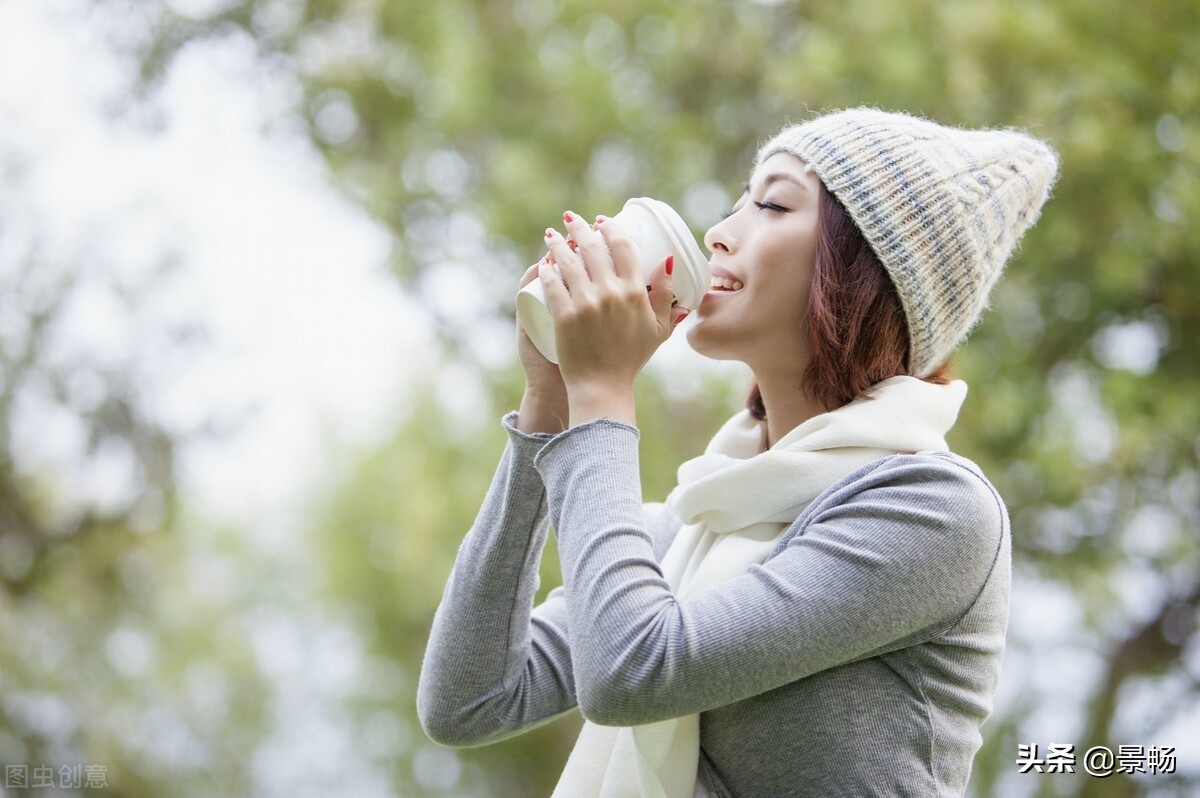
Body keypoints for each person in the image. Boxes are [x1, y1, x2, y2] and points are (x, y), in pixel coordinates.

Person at [417, 107, 1059, 797]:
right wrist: (552, 404)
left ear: (865, 271)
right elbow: (469, 699)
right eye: (734, 205)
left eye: (773, 203)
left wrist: (603, 390)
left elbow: (632, 670)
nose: (719, 234)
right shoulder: (696, 524)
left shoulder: (935, 511)